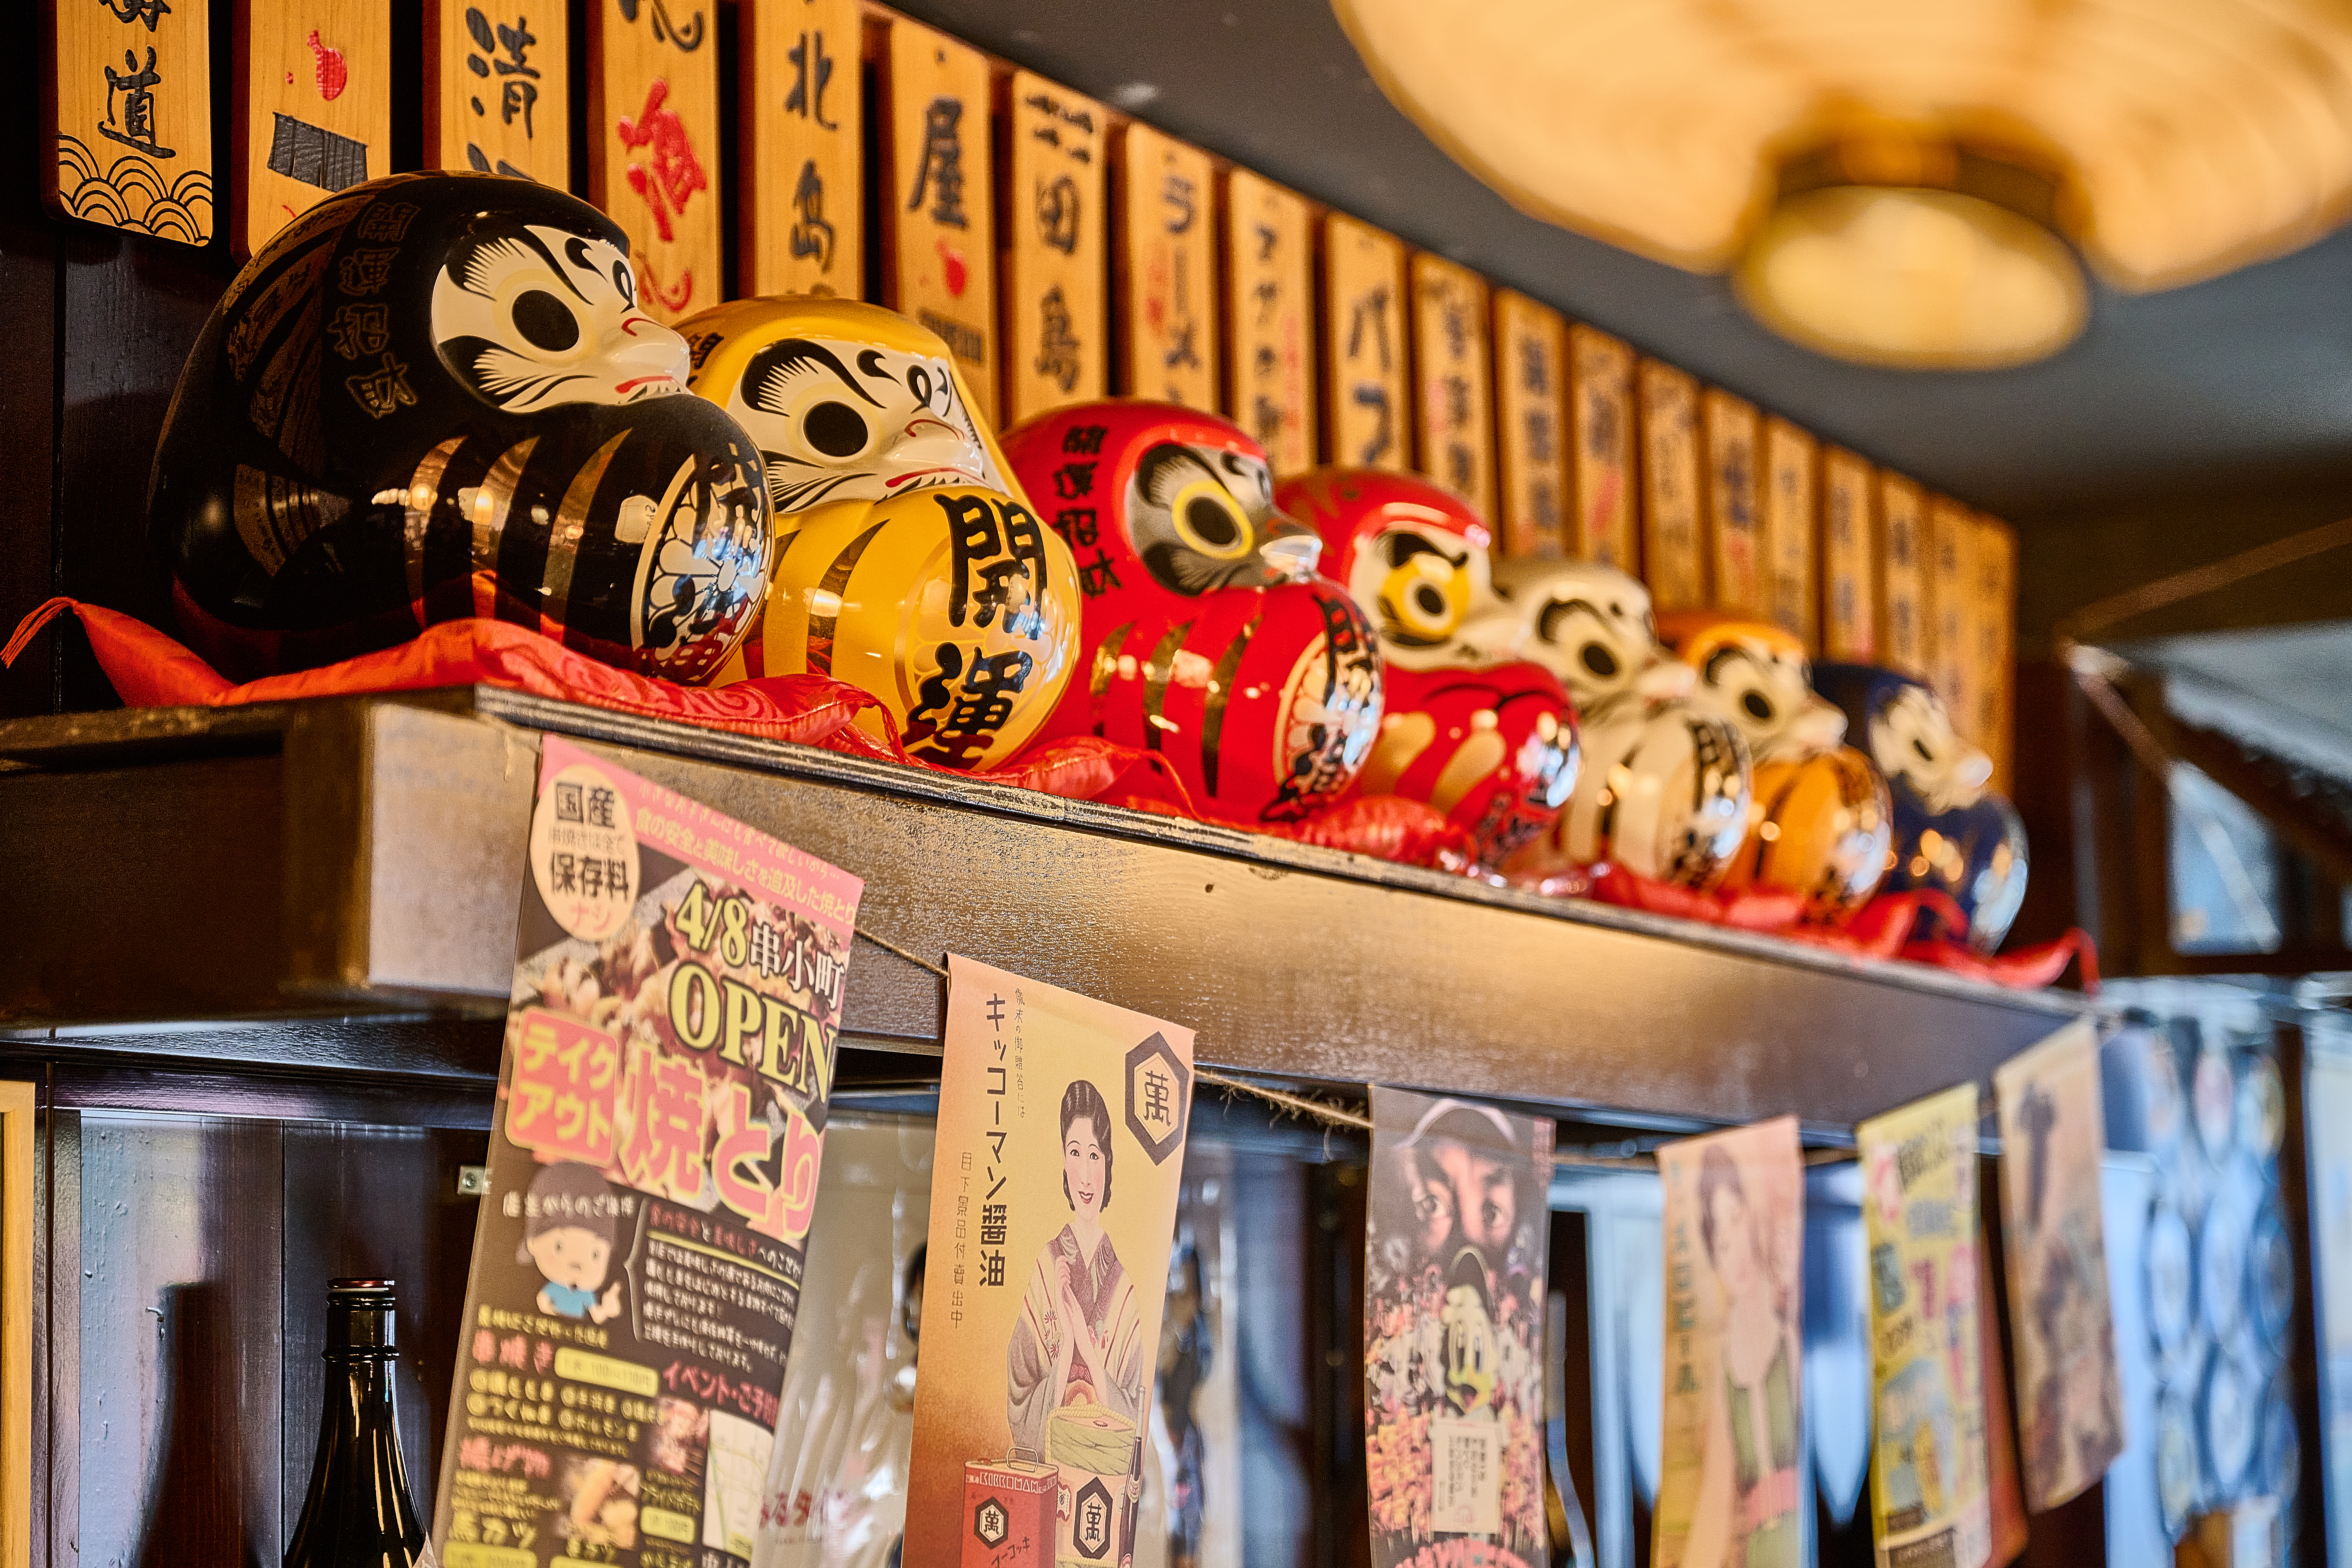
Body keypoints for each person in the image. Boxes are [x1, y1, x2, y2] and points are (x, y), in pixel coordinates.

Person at [1007, 1081, 1147, 1547]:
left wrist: (1088, 1346)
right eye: (1074, 1152)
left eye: (1095, 1155)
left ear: (1108, 1164)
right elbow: (1020, 1397)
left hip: (1103, 1503)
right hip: (1051, 1499)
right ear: (1063, 1163)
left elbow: (1135, 1423)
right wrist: (1067, 1348)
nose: (1085, 1174)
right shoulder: (1047, 1267)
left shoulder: (1124, 1289)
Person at [1682, 1145, 1799, 1568]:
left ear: (1752, 1215)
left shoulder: (1790, 1327)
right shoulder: (1725, 1363)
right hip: (1760, 1553)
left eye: (1737, 1218)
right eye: (1723, 1244)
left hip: (1806, 1541)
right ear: (1715, 1261)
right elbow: (1717, 1496)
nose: (1738, 1254)